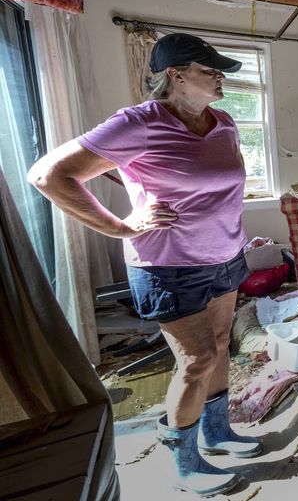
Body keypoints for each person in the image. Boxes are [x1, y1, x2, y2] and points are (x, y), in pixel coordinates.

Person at [28, 33, 260, 497]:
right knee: (197, 360)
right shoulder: (139, 122)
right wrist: (120, 225)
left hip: (226, 254)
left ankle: (218, 433)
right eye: (208, 69)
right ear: (176, 75)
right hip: (167, 264)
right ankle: (185, 459)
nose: (220, 77)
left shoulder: (225, 123)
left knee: (219, 345)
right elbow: (48, 175)